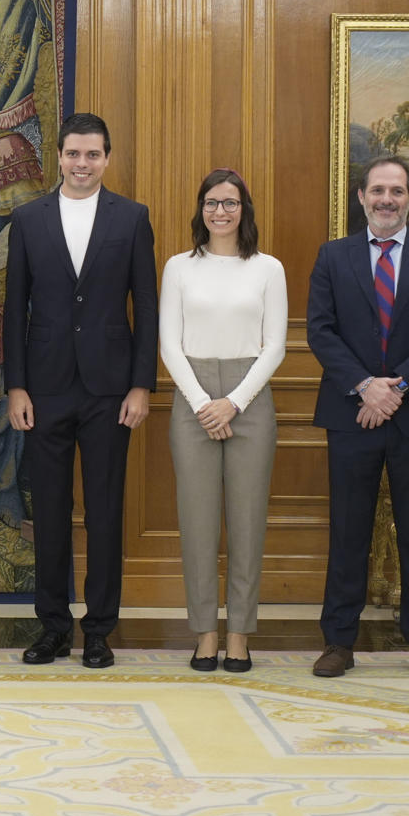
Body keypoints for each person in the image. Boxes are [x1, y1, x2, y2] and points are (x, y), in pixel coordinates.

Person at [3, 112, 155, 669]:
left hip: (110, 391)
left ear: (107, 158)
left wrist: (141, 386)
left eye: (93, 155)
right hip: (43, 389)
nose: (83, 164)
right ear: (59, 157)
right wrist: (15, 386)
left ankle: (99, 630)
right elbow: (13, 307)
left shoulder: (132, 218)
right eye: (73, 154)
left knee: (106, 513)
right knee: (48, 511)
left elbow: (148, 306)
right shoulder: (29, 218)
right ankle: (52, 627)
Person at [306, 154, 409, 682]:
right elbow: (321, 332)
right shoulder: (333, 257)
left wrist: (395, 388)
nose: (386, 200)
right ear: (361, 197)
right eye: (377, 190)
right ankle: (338, 641)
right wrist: (365, 387)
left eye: (397, 191)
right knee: (347, 530)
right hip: (352, 413)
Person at [158, 169, 287, 673]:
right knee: (197, 522)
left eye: (230, 203)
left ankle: (239, 635)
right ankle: (205, 634)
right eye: (212, 202)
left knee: (248, 521)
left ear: (244, 210)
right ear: (201, 208)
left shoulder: (267, 269)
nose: (221, 211)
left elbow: (274, 346)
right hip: (192, 402)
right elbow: (169, 344)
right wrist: (203, 404)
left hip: (249, 397)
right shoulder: (179, 267)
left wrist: (232, 402)